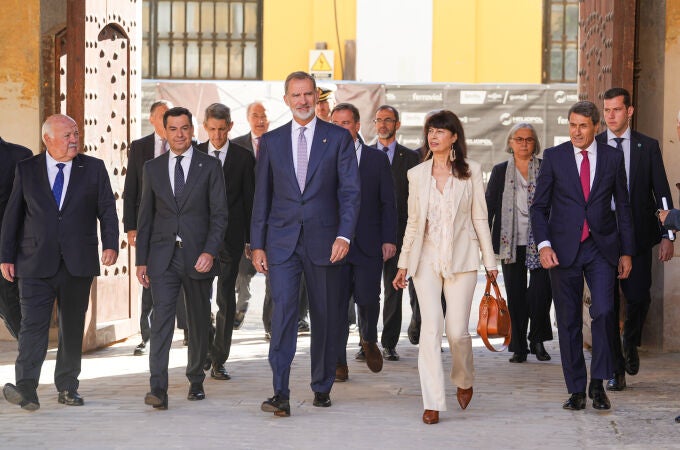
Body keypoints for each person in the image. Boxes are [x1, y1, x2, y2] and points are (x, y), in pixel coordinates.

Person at [250, 71, 360, 416]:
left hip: (327, 242)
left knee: (325, 317)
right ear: (286, 100)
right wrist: (257, 244)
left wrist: (344, 235)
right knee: (282, 315)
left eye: (308, 94)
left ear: (317, 97)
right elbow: (261, 197)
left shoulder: (338, 138)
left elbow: (350, 192)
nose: (302, 100)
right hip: (281, 243)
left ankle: (322, 385)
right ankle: (280, 391)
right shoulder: (271, 141)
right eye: (295, 95)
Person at [0, 114, 119, 410]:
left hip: (77, 261)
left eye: (75, 134)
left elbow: (107, 208)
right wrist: (6, 256)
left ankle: (68, 387)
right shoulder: (26, 169)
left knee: (71, 326)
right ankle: (26, 387)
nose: (74, 139)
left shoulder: (93, 168)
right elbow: (13, 215)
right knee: (32, 326)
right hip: (34, 261)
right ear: (47, 140)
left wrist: (111, 244)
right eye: (66, 135)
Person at [392, 110, 497, 425]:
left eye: (440, 131)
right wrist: (403, 264)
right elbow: (413, 223)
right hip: (425, 260)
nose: (433, 136)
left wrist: (490, 263)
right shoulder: (417, 174)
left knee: (456, 332)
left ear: (454, 137)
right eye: (430, 131)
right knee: (430, 328)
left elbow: (480, 217)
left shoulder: (472, 172)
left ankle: (464, 377)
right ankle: (432, 400)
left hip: (462, 260)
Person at [530, 101, 634, 412]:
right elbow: (539, 207)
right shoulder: (554, 157)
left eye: (583, 126)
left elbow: (624, 208)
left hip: (601, 248)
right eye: (572, 125)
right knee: (569, 320)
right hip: (562, 250)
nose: (576, 131)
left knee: (603, 313)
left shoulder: (613, 158)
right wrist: (544, 245)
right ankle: (576, 389)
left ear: (596, 127)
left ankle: (597, 383)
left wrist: (626, 251)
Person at [136, 107, 228, 410]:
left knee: (198, 321)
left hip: (198, 257)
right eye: (173, 128)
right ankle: (157, 388)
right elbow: (145, 217)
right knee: (161, 320)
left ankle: (195, 379)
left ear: (192, 130)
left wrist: (209, 251)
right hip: (163, 258)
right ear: (165, 131)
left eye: (185, 128)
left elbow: (219, 215)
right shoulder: (152, 168)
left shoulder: (210, 166)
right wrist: (141, 260)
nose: (179, 134)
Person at [596, 87, 674, 391]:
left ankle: (630, 341)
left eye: (617, 109)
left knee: (639, 297)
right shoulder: (595, 145)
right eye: (607, 110)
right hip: (603, 237)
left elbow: (662, 192)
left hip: (639, 236)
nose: (611, 115)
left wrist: (668, 236)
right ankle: (616, 368)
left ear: (630, 111)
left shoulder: (648, 146)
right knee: (607, 304)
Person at [331, 103, 397, 382]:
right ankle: (337, 362)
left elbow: (388, 203)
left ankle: (368, 339)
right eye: (335, 124)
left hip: (369, 243)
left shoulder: (376, 159)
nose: (341, 129)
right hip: (335, 246)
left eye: (346, 123)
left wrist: (389, 239)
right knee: (335, 304)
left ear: (357, 126)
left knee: (369, 298)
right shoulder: (323, 159)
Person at [123, 100, 189, 356]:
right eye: (163, 117)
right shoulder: (140, 147)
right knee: (148, 278)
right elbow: (131, 191)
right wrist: (131, 226)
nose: (168, 121)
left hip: (181, 228)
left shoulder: (188, 147)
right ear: (152, 120)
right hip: (149, 226)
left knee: (183, 279)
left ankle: (186, 332)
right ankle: (146, 334)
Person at [486, 123, 553, 363]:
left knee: (541, 294)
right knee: (515, 295)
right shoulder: (500, 171)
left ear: (535, 143)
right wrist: (485, 246)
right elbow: (489, 208)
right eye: (519, 139)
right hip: (510, 242)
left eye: (529, 139)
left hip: (542, 242)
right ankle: (519, 347)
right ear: (511, 142)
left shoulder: (546, 168)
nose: (524, 143)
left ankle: (538, 340)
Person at [197, 103, 255, 380]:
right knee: (199, 298)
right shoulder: (193, 154)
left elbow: (249, 201)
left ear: (230, 126)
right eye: (212, 129)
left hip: (231, 240)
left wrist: (250, 240)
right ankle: (207, 344)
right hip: (199, 241)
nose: (217, 135)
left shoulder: (244, 158)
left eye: (222, 129)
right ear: (205, 127)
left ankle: (219, 357)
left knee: (225, 299)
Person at [366, 105, 420, 362]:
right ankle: (367, 342)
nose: (383, 125)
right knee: (366, 293)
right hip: (367, 235)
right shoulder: (363, 154)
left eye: (388, 120)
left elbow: (415, 200)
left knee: (393, 291)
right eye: (379, 120)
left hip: (398, 235)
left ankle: (388, 343)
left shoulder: (410, 158)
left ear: (397, 124)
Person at [231, 101, 269, 329]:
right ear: (248, 118)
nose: (261, 119)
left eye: (264, 115)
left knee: (274, 278)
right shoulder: (236, 146)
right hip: (244, 222)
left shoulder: (279, 144)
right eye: (256, 115)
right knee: (243, 273)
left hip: (273, 222)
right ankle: (240, 306)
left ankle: (271, 325)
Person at [0, 137, 32, 339]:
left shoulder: (20, 155)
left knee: (11, 307)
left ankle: (31, 354)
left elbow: (28, 206)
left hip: (6, 250)